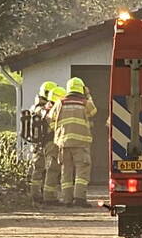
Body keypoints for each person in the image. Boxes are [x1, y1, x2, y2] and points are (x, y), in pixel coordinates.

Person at [51, 77, 97, 206]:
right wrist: (88, 95)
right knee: (82, 170)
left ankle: (67, 200)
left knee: (66, 171)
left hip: (63, 143)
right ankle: (79, 199)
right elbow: (93, 111)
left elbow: (50, 117)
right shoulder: (84, 102)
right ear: (81, 89)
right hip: (81, 143)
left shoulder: (60, 102)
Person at [28, 82, 57, 204]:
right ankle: (48, 197)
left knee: (37, 169)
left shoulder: (33, 107)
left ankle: (35, 195)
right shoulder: (43, 109)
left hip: (36, 143)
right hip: (47, 142)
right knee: (51, 168)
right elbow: (50, 122)